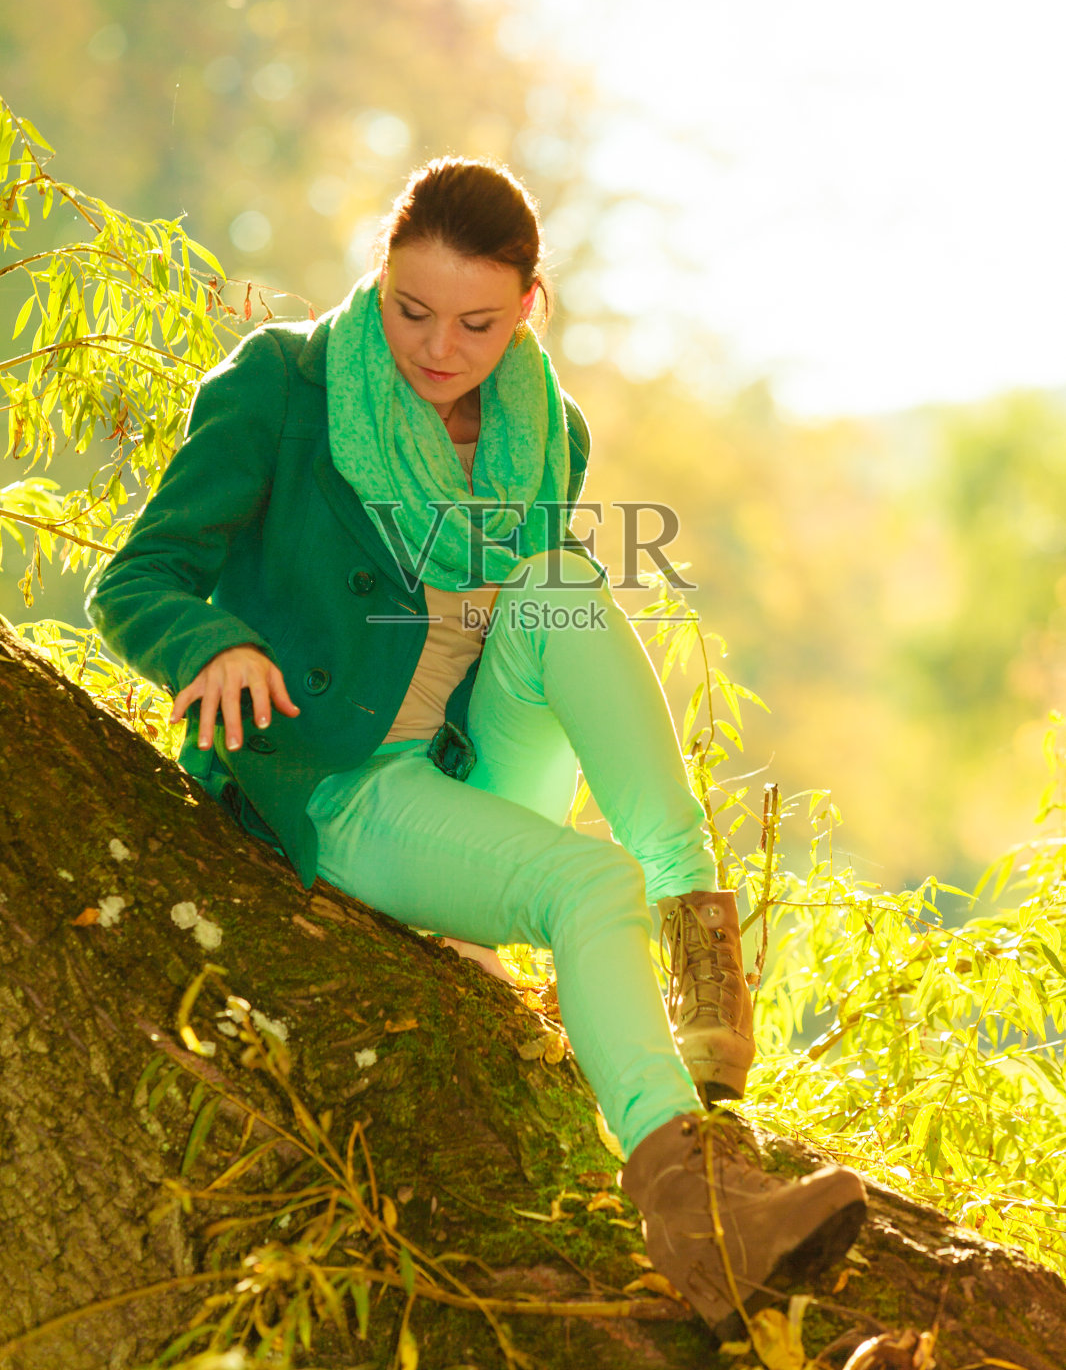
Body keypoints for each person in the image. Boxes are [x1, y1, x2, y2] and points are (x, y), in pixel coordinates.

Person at [85, 156, 867, 1338]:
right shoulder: (286, 386)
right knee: (582, 879)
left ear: (527, 310)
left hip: (465, 770)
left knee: (557, 581)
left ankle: (703, 953)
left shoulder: (546, 432)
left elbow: (526, 642)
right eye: (410, 308)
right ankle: (699, 1218)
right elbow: (137, 578)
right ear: (381, 275)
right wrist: (218, 642)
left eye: (477, 322)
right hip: (341, 779)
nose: (438, 347)